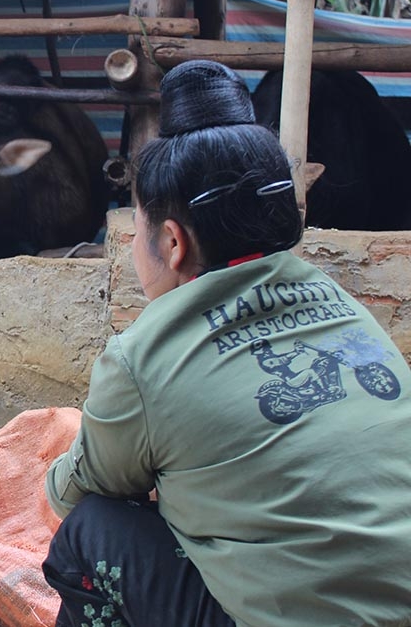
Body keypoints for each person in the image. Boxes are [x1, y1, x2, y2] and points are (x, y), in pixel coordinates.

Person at [41, 60, 411, 627]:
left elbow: (75, 493)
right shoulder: (341, 304)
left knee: (91, 531)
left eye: (138, 228)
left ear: (171, 241)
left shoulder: (142, 357)